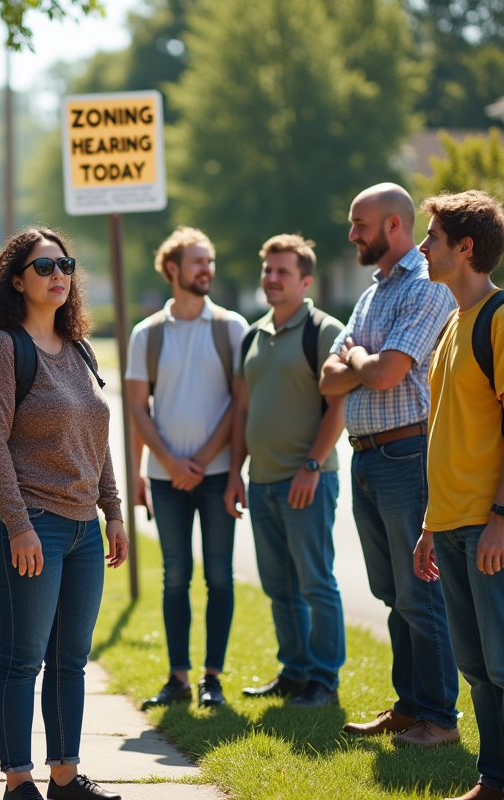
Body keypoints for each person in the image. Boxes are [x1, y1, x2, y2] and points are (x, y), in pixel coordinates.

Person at [0, 228, 129, 800]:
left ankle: (64, 775)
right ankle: (18, 782)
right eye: (43, 267)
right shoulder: (1, 350)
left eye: (65, 264)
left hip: (84, 526)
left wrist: (112, 509)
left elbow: (97, 435)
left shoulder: (79, 347)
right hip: (30, 522)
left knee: (70, 660)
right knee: (22, 658)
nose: (58, 274)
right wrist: (17, 524)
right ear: (16, 281)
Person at [414, 191, 504, 800]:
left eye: (433, 237)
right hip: (451, 521)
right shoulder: (453, 322)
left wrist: (501, 516)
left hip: (494, 522)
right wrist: (428, 524)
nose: (423, 247)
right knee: (476, 667)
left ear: (464, 247)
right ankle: (494, 782)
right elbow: (449, 430)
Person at [318, 182, 460, 746]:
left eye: (360, 224)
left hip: (407, 453)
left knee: (420, 591)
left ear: (393, 226)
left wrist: (354, 354)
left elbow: (383, 374)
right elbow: (327, 380)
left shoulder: (425, 289)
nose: (352, 233)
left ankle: (440, 719)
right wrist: (361, 360)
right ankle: (409, 707)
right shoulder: (373, 291)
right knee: (391, 592)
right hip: (367, 456)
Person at [225, 235, 348, 707]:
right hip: (262, 483)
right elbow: (241, 410)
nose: (272, 279)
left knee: (316, 581)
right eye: (268, 271)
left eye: (283, 272)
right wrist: (236, 472)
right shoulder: (253, 336)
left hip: (309, 481)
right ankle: (295, 672)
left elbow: (338, 406)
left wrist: (312, 466)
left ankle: (324, 680)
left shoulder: (323, 330)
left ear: (305, 280)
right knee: (279, 586)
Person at [124, 227, 244, 710]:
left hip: (216, 475)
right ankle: (177, 678)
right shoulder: (146, 334)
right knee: (176, 576)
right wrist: (156, 466)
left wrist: (203, 460)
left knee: (219, 576)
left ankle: (212, 678)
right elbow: (136, 408)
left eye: (210, 261)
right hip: (165, 479)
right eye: (198, 261)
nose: (207, 270)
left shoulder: (232, 327)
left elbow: (240, 403)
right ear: (172, 269)